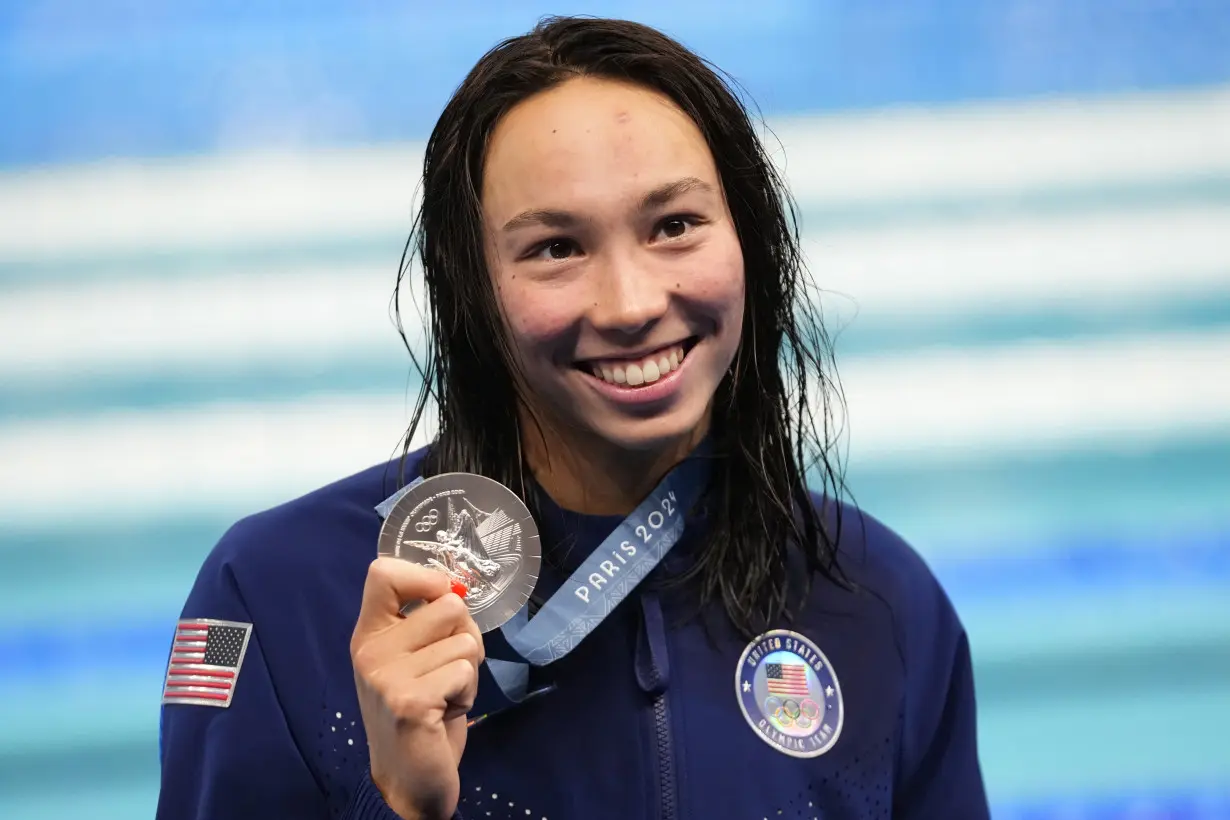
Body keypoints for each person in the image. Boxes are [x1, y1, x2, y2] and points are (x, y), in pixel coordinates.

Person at [156, 16, 990, 820]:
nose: (631, 304)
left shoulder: (883, 600)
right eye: (555, 247)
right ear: (471, 291)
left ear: (750, 241)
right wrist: (402, 809)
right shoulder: (267, 598)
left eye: (675, 225)